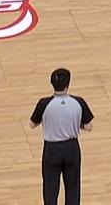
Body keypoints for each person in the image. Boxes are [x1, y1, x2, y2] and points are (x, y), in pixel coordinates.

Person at [29, 68, 94, 205]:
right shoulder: (78, 102)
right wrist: (75, 124)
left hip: (51, 149)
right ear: (68, 83)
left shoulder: (44, 104)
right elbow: (89, 126)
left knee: (50, 189)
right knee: (73, 187)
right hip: (71, 148)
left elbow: (32, 124)